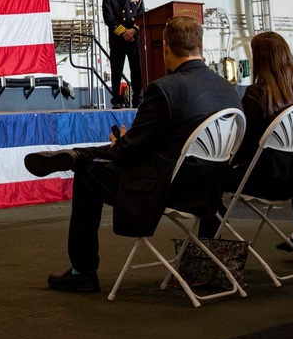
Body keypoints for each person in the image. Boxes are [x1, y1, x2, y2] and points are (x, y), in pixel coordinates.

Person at [23, 16, 242, 293]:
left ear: (166, 47)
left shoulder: (165, 90)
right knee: (113, 153)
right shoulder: (228, 90)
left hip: (167, 188)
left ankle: (83, 270)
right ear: (201, 45)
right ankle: (81, 154)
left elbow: (128, 152)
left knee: (90, 173)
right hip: (210, 189)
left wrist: (121, 143)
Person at [216, 47, 293, 250]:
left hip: (264, 180)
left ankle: (209, 252)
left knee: (211, 182)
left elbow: (245, 145)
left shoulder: (256, 93)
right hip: (292, 178)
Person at [101, 0, 144, 108]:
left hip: (134, 39)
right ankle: (117, 100)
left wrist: (133, 31)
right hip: (118, 40)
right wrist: (124, 33)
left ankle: (138, 99)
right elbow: (109, 18)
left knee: (136, 70)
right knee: (116, 71)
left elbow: (142, 16)